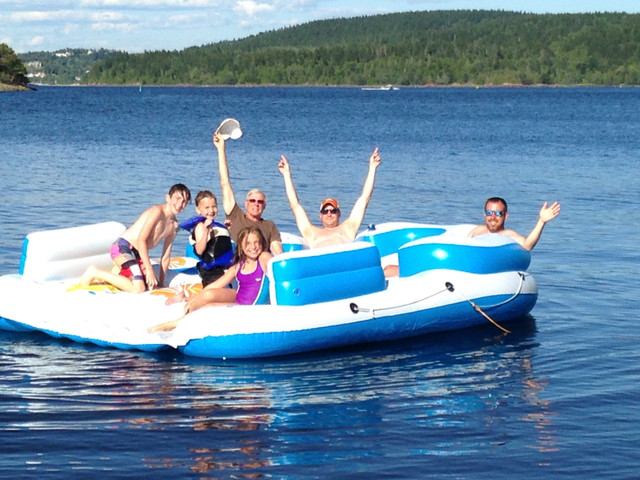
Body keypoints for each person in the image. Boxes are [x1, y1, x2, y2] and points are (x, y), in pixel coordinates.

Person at [149, 226, 273, 332]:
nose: (253, 247)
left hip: (249, 309)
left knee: (209, 307)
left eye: (257, 242)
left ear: (262, 244)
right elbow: (215, 285)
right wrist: (194, 301)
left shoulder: (263, 257)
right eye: (248, 243)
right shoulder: (237, 267)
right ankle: (187, 301)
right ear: (241, 246)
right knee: (208, 293)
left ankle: (173, 324)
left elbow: (277, 273)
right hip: (239, 301)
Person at [79, 184, 191, 293]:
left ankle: (120, 272)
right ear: (168, 198)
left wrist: (161, 283)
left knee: (151, 286)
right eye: (178, 198)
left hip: (138, 254)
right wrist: (150, 270)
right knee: (139, 288)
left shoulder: (174, 225)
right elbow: (141, 240)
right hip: (123, 248)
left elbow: (166, 256)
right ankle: (94, 272)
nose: (180, 204)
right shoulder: (157, 212)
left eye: (185, 201)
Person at [277, 147, 381, 248]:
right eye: (325, 211)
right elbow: (295, 206)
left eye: (333, 210)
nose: (329, 213)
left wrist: (372, 168)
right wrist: (286, 175)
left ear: (339, 213)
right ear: (320, 215)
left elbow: (364, 198)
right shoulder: (311, 232)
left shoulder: (348, 228)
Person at [214, 133, 283, 254]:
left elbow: (277, 250)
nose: (256, 204)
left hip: (260, 263)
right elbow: (225, 183)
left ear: (264, 206)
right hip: (239, 261)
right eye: (252, 200)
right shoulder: (235, 216)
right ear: (246, 204)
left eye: (260, 202)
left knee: (265, 256)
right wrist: (221, 149)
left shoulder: (269, 226)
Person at [165, 190, 233, 306]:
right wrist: (206, 232)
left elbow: (221, 246)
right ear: (198, 210)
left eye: (214, 206)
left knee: (224, 297)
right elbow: (200, 250)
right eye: (206, 207)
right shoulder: (201, 226)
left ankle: (185, 298)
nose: (211, 210)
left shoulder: (216, 225)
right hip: (210, 271)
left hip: (221, 268)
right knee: (216, 299)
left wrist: (226, 229)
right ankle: (183, 299)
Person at [468, 197, 561, 251]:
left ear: (506, 216)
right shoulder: (477, 231)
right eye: (489, 213)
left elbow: (527, 245)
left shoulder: (508, 235)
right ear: (484, 214)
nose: (492, 217)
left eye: (498, 213)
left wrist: (541, 221)